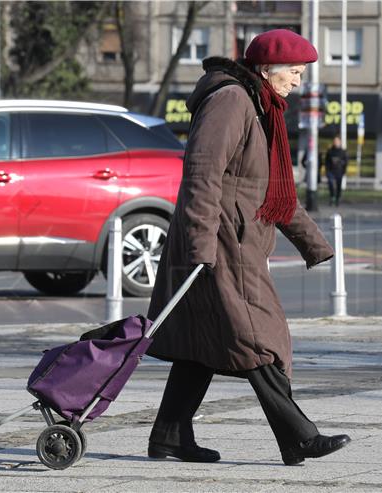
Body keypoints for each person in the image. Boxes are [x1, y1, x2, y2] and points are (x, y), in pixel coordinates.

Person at [145, 29, 351, 467]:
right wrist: (200, 247)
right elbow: (202, 174)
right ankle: (298, 436)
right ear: (266, 70)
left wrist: (315, 245)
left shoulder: (262, 109)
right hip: (220, 243)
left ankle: (169, 435)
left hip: (233, 240)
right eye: (294, 72)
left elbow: (271, 191)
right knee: (260, 337)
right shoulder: (232, 101)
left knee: (202, 343)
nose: (298, 82)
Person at [324, 135, 348, 206]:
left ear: (340, 142)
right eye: (335, 141)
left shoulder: (343, 152)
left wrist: (344, 171)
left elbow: (346, 162)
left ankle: (337, 199)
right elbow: (326, 162)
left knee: (338, 186)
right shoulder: (330, 151)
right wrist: (327, 171)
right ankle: (332, 197)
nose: (336, 142)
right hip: (331, 171)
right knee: (331, 183)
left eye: (337, 141)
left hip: (339, 171)